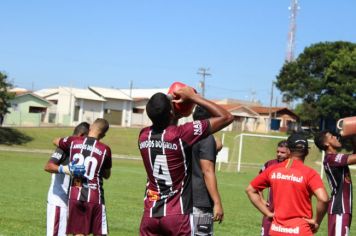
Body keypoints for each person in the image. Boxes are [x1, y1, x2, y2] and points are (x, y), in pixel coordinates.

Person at [138, 87, 233, 236]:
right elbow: (227, 117)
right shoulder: (184, 135)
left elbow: (162, 121)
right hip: (180, 211)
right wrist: (193, 97)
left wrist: (170, 108)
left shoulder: (143, 135)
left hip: (150, 213)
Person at [246, 133, 329, 235]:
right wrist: (317, 221)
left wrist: (267, 213)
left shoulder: (273, 169)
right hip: (300, 230)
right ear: (307, 152)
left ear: (288, 151)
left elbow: (250, 190)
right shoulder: (310, 173)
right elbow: (324, 199)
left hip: (276, 230)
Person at [53, 118, 112, 236]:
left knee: (79, 233)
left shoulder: (74, 141)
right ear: (103, 134)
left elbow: (55, 141)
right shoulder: (105, 150)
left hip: (76, 193)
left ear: (90, 128)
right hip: (96, 196)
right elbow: (107, 175)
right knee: (101, 233)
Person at [44, 122, 90, 236]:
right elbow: (48, 166)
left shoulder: (83, 151)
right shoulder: (64, 148)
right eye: (88, 137)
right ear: (81, 135)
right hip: (59, 201)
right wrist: (67, 169)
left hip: (75, 202)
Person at [314, 131, 356, 236]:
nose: (336, 137)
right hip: (339, 208)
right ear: (326, 144)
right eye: (332, 136)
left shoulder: (334, 158)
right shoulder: (331, 159)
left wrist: (352, 137)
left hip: (343, 209)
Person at [191, 105, 224, 235]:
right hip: (201, 200)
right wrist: (217, 203)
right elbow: (207, 171)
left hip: (184, 198)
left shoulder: (185, 135)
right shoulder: (206, 138)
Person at [258, 140, 289, 236]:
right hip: (270, 212)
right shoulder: (270, 164)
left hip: (288, 213)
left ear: (289, 152)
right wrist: (262, 200)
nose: (279, 154)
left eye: (282, 152)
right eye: (278, 151)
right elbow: (257, 184)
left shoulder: (294, 166)